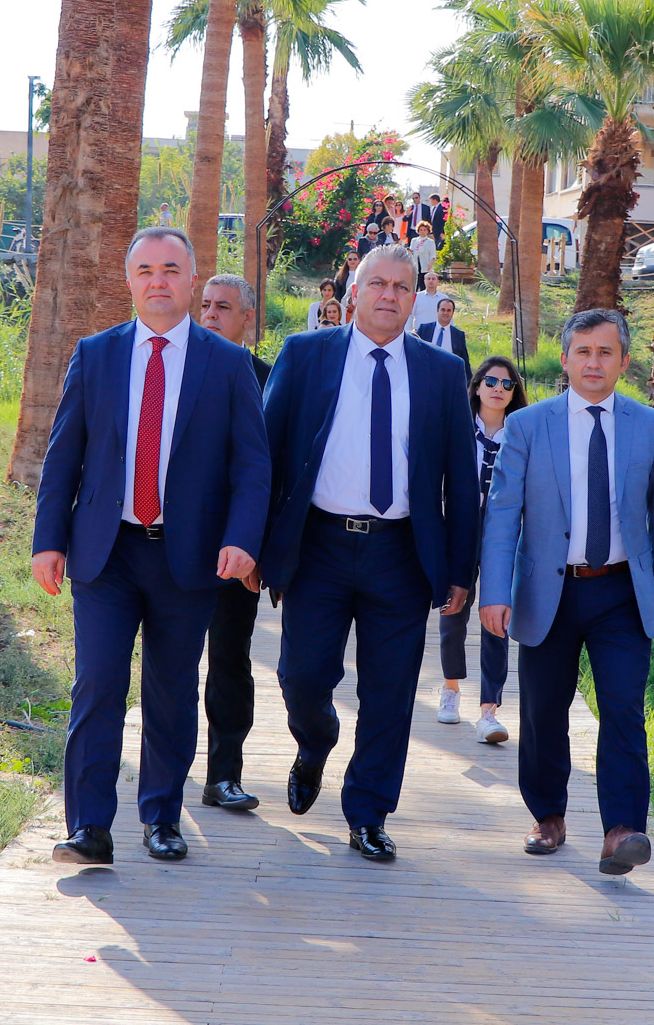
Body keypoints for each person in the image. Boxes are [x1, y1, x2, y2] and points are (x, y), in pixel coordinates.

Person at [32, 227, 270, 866]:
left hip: (186, 556)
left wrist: (243, 539)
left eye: (170, 269)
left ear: (192, 280)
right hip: (105, 553)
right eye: (146, 270)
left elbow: (253, 464)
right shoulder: (97, 354)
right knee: (98, 685)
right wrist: (47, 541)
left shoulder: (227, 364)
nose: (158, 281)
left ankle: (162, 817)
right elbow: (64, 456)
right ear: (129, 281)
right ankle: (89, 827)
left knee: (171, 690)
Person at [257, 245, 479, 862]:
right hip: (319, 546)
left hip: (401, 553)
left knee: (390, 692)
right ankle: (315, 741)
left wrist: (460, 569)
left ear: (416, 300)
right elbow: (265, 456)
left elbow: (461, 480)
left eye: (402, 287)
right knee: (301, 676)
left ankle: (368, 812)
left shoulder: (441, 372)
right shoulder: (305, 354)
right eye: (377, 283)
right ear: (353, 293)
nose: (388, 295)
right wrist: (257, 546)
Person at [479, 308, 654, 876]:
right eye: (583, 352)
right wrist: (494, 591)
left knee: (623, 708)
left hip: (621, 593)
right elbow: (503, 516)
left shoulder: (647, 425)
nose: (594, 362)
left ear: (624, 361)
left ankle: (622, 831)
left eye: (605, 352)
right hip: (548, 592)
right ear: (565, 360)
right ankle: (548, 815)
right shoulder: (527, 425)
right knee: (544, 710)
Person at [195, 274, 271, 813]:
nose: (211, 315)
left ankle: (223, 775)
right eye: (205, 305)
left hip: (235, 552)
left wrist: (255, 548)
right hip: (168, 544)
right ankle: (164, 771)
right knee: (169, 662)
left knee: (228, 659)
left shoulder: (269, 379)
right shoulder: (175, 367)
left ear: (247, 318)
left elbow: (271, 470)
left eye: (223, 307)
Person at [437, 357, 525, 743]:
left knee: (496, 618)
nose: (498, 389)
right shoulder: (457, 427)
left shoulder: (520, 433)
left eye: (507, 384)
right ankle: (451, 689)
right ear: (476, 386)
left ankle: (489, 710)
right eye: (490, 382)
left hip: (502, 533)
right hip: (459, 528)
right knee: (453, 613)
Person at [416, 296, 470, 382]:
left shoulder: (458, 335)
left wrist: (470, 383)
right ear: (437, 310)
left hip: (448, 377)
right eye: (443, 310)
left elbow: (464, 361)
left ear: (452, 313)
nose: (445, 313)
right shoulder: (424, 329)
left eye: (449, 310)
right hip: (425, 375)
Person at [408, 221, 437, 291]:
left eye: (424, 230)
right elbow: (411, 252)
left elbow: (433, 254)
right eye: (421, 230)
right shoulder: (414, 240)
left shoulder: (430, 242)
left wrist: (430, 264)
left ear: (428, 231)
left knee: (423, 284)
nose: (422, 232)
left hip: (425, 265)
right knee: (415, 284)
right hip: (416, 265)